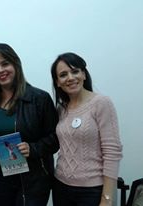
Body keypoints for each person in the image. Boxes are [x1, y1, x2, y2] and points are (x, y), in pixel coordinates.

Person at [0, 43, 59, 206]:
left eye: (5, 63)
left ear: (15, 64)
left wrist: (33, 148)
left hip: (33, 181)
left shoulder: (39, 98)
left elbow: (56, 139)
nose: (1, 70)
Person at [50, 52, 123, 206]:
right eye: (63, 75)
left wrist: (107, 199)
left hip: (92, 191)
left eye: (75, 71)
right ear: (57, 82)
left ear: (83, 74)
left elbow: (112, 153)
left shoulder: (101, 103)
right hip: (61, 186)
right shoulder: (61, 109)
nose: (70, 78)